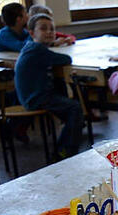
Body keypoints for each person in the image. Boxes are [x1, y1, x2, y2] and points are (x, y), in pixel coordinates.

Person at [15, 14, 84, 158]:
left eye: (52, 29)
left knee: (70, 106)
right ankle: (64, 151)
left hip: (34, 95)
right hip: (36, 97)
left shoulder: (31, 47)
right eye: (43, 28)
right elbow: (65, 59)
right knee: (75, 108)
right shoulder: (37, 50)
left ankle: (71, 139)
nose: (49, 32)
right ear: (32, 33)